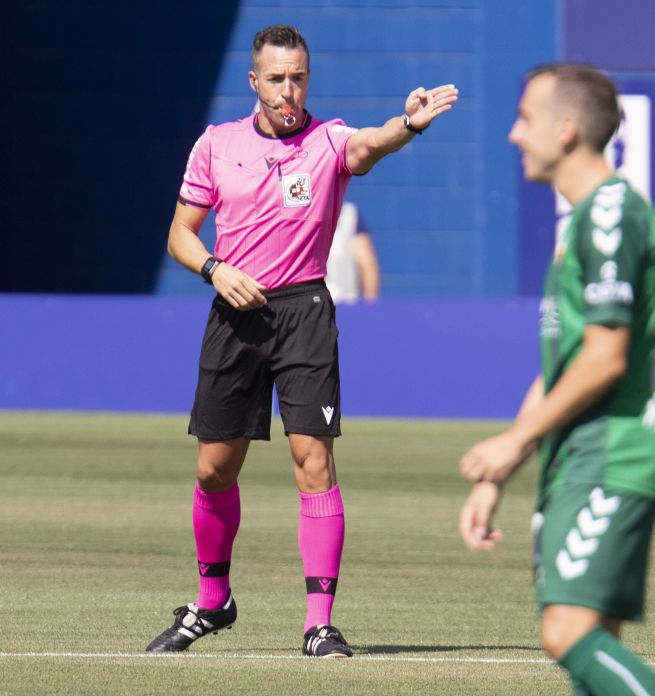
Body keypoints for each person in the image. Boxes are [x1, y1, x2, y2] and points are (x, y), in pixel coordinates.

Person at [145, 24, 457, 656]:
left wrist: (410, 123)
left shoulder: (328, 141)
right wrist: (214, 269)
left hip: (305, 311)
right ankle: (212, 603)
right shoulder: (217, 145)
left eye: (300, 77)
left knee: (313, 461)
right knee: (213, 469)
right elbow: (181, 233)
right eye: (278, 78)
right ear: (255, 82)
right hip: (235, 312)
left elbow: (369, 145)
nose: (290, 89)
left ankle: (319, 623)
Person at [459, 63, 655, 695]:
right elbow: (562, 370)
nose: (514, 135)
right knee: (592, 647)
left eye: (526, 119)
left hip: (611, 455)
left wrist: (507, 444)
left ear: (569, 131)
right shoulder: (582, 223)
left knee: (566, 634)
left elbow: (605, 358)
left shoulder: (610, 217)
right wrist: (510, 459)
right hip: (578, 457)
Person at [325, 201, 380, 303]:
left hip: (346, 301)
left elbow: (367, 264)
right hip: (316, 304)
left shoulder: (349, 215)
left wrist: (370, 304)